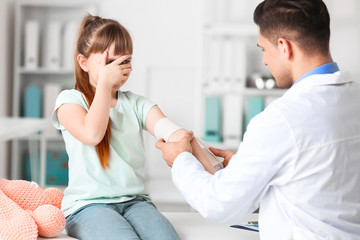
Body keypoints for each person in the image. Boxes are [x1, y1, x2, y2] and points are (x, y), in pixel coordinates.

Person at [155, 0, 360, 239]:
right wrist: (249, 168)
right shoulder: (354, 97)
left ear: (284, 47)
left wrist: (180, 160)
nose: (264, 61)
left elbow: (220, 205)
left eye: (263, 48)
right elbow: (320, 180)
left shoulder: (281, 119)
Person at [51, 14, 218, 240]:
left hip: (135, 202)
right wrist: (105, 84)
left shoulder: (136, 104)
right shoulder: (69, 101)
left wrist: (218, 174)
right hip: (88, 206)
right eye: (110, 62)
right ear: (83, 62)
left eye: (126, 61)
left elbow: (175, 133)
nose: (121, 69)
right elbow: (92, 134)